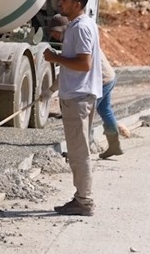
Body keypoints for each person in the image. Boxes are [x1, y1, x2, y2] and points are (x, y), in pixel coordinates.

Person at [42, 0, 103, 217]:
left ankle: (83, 201)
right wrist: (52, 89)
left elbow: (84, 64)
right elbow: (75, 64)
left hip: (78, 98)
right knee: (79, 149)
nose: (60, 3)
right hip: (80, 95)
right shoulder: (80, 26)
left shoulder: (80, 28)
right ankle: (82, 198)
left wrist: (54, 57)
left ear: (77, 4)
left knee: (78, 152)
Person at [50, 14, 128, 160]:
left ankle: (80, 151)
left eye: (55, 32)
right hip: (108, 77)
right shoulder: (73, 38)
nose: (53, 35)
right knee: (104, 109)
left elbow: (66, 71)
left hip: (102, 80)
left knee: (83, 116)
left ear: (63, 30)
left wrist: (50, 91)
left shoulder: (72, 40)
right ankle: (114, 145)